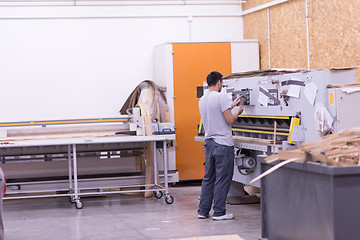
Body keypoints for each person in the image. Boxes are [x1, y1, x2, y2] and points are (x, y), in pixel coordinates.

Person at [197, 71, 243, 221]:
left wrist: (231, 105)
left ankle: (203, 211)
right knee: (223, 178)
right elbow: (229, 120)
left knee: (208, 178)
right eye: (222, 83)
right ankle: (219, 212)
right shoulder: (221, 96)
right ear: (219, 82)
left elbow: (215, 112)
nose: (222, 85)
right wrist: (237, 111)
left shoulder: (202, 99)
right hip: (223, 144)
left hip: (209, 143)